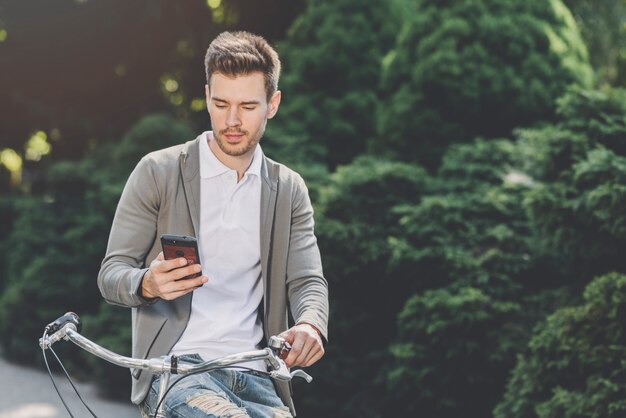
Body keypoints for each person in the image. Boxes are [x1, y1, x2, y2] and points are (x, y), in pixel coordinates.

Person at [97, 31, 329, 418]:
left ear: (273, 104)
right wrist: (147, 284)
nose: (232, 120)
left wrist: (310, 324)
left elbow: (308, 282)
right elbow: (110, 275)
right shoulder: (158, 172)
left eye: (248, 106)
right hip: (178, 371)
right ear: (206, 96)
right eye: (221, 104)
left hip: (257, 372)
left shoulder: (288, 189)